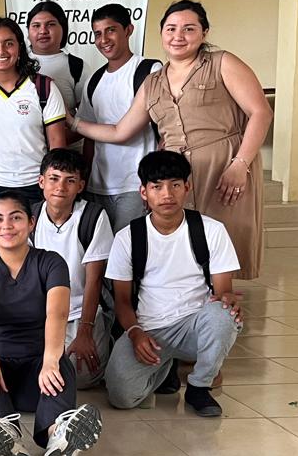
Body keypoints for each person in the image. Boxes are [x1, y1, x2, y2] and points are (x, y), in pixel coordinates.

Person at [69, 0, 271, 278]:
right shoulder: (153, 82)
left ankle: (222, 301)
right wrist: (73, 123)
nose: (178, 36)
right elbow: (120, 131)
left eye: (189, 29)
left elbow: (261, 112)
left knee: (224, 242)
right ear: (161, 32)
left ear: (204, 32)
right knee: (183, 244)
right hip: (177, 176)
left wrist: (240, 164)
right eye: (171, 28)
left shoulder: (221, 62)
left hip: (224, 167)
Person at [0, 190, 102, 456]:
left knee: (60, 366)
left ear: (31, 223)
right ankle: (7, 435)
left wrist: (50, 361)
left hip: (35, 371)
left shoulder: (51, 262)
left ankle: (58, 437)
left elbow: (57, 314)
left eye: (16, 218)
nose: (6, 226)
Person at [105, 151, 244, 416]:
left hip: (195, 325)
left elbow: (223, 291)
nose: (167, 194)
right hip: (150, 329)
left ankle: (199, 386)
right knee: (122, 396)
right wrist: (135, 332)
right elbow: (121, 300)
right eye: (157, 187)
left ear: (187, 188)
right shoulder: (127, 237)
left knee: (223, 314)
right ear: (144, 192)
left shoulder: (211, 230)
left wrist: (228, 300)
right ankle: (164, 366)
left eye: (175, 185)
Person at [0, 17, 68, 252]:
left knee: (33, 258)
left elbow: (57, 147)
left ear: (20, 47)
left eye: (8, 43)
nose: (1, 51)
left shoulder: (43, 88)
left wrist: (52, 190)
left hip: (33, 190)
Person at [30, 149, 114, 390]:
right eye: (54, 178)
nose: (60, 187)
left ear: (80, 186)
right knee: (31, 368)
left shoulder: (92, 216)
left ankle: (105, 338)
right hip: (43, 312)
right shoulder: (31, 216)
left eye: (70, 180)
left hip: (80, 311)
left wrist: (85, 331)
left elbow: (94, 280)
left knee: (82, 378)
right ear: (41, 181)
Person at [76, 4, 160, 231]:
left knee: (129, 249)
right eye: (97, 33)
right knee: (99, 249)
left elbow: (163, 132)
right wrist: (86, 179)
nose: (104, 39)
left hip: (135, 185)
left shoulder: (150, 70)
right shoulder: (94, 81)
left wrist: (154, 185)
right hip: (97, 186)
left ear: (129, 30)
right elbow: (89, 136)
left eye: (111, 30)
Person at [27, 0, 86, 115]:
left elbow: (87, 115)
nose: (43, 31)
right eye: (36, 26)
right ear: (28, 31)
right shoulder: (16, 63)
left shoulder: (77, 66)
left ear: (63, 28)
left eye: (51, 24)